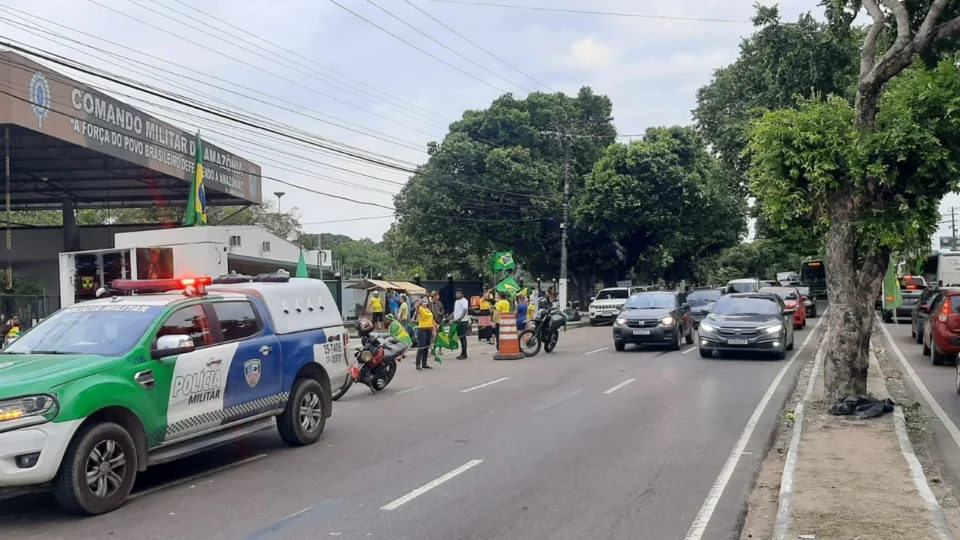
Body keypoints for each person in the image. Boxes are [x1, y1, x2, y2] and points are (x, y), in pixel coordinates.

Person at [413, 299, 434, 370]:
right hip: (422, 329)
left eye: (426, 303)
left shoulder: (428, 310)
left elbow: (432, 320)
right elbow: (416, 307)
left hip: (429, 329)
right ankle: (418, 364)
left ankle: (424, 363)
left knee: (426, 347)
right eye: (424, 303)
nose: (425, 304)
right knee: (421, 347)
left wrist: (433, 330)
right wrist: (419, 302)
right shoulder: (420, 309)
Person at [452, 289, 469, 360]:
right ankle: (462, 353)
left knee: (463, 337)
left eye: (459, 293)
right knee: (460, 337)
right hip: (457, 322)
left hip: (463, 321)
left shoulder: (464, 301)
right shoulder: (456, 301)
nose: (457, 294)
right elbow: (454, 311)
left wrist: (460, 318)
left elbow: (464, 311)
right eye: (457, 293)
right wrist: (449, 318)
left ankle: (464, 354)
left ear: (462, 295)